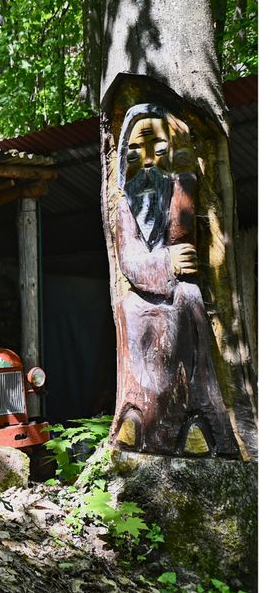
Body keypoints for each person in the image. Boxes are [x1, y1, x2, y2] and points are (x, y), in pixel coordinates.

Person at [110, 104, 238, 457]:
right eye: (134, 153)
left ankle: (196, 417)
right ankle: (139, 414)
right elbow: (129, 260)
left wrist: (183, 178)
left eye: (159, 150)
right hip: (141, 294)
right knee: (127, 308)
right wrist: (167, 262)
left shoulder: (177, 189)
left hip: (176, 294)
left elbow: (184, 238)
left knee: (190, 300)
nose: (148, 162)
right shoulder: (125, 207)